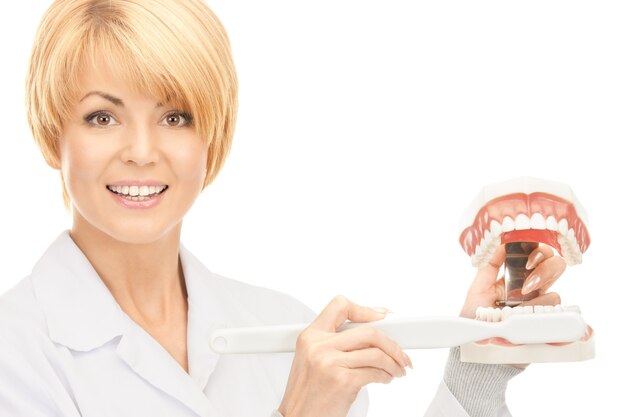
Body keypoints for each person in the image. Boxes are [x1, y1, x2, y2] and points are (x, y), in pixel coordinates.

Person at [0, 1, 566, 416]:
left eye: (176, 117)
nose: (142, 153)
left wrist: (473, 380)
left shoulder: (284, 328)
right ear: (53, 137)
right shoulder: (15, 350)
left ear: (211, 139)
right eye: (103, 116)